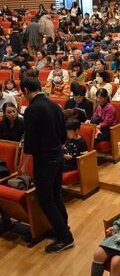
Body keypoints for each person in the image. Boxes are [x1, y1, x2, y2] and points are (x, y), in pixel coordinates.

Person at [20, 77, 73, 253]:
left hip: (44, 159)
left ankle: (65, 237)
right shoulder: (54, 105)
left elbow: (30, 141)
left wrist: (25, 166)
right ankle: (63, 228)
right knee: (56, 194)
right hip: (57, 156)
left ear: (26, 90)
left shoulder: (31, 110)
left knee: (46, 199)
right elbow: (63, 134)